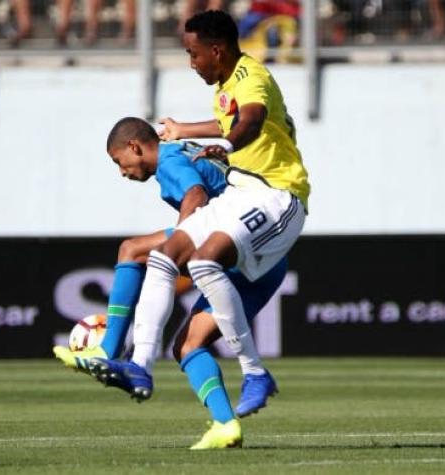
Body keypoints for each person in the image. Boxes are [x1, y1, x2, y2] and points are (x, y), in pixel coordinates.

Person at [89, 9, 310, 447]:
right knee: (163, 256)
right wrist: (190, 130)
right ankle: (140, 365)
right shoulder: (226, 87)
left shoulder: (251, 77)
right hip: (240, 193)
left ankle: (254, 372)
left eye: (193, 55)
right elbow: (234, 120)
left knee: (201, 256)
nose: (191, 63)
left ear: (217, 49)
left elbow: (247, 122)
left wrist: (224, 144)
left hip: (278, 196)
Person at [53, 117, 289, 449]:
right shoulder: (180, 150)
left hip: (237, 245)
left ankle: (108, 351)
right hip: (267, 263)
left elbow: (196, 193)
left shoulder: (169, 160)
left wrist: (180, 242)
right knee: (186, 346)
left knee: (131, 250)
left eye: (119, 162)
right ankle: (226, 426)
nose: (122, 172)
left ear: (134, 147)